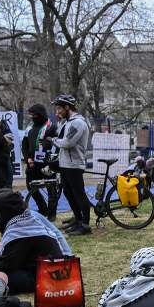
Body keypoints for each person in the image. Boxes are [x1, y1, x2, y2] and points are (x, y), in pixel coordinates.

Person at [0, 189, 70, 294]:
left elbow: (8, 266)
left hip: (42, 279)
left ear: (4, 212)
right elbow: (16, 257)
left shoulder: (20, 231)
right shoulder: (28, 222)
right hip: (51, 274)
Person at [45, 94, 92, 236]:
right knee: (68, 193)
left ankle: (85, 225)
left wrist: (52, 140)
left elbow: (67, 143)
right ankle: (78, 220)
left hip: (74, 164)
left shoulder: (78, 123)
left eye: (59, 108)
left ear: (67, 107)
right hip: (66, 163)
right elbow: (62, 137)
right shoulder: (67, 121)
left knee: (79, 194)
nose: (57, 112)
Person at [21, 103, 58, 219]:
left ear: (40, 115)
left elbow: (57, 144)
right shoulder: (29, 128)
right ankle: (43, 208)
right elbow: (24, 146)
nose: (32, 118)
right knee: (30, 186)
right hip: (32, 163)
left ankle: (52, 213)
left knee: (51, 188)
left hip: (48, 164)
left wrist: (50, 147)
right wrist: (28, 158)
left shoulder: (52, 127)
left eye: (34, 115)